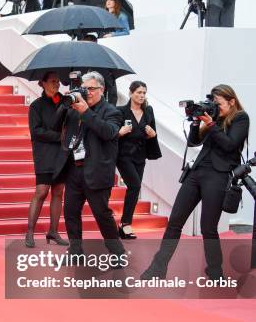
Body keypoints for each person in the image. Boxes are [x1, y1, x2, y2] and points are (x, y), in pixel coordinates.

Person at [141, 85, 249, 281]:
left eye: (219, 103)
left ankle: (215, 272)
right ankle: (158, 267)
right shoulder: (212, 116)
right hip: (196, 172)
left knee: (208, 226)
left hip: (218, 174)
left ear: (231, 101)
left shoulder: (241, 118)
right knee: (174, 221)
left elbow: (230, 145)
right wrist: (195, 123)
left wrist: (212, 124)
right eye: (213, 102)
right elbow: (193, 142)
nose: (215, 106)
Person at [61, 71, 125, 257]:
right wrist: (67, 105)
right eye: (84, 88)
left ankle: (117, 253)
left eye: (91, 88)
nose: (87, 92)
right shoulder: (76, 108)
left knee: (102, 215)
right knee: (70, 212)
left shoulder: (112, 111)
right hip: (75, 169)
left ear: (102, 89)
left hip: (97, 171)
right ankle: (75, 251)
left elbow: (109, 132)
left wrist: (86, 112)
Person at [25, 71, 70, 248]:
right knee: (41, 192)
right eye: (52, 81)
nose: (57, 84)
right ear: (42, 83)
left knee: (58, 192)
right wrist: (59, 136)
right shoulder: (36, 106)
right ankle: (30, 232)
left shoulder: (66, 104)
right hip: (44, 154)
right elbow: (36, 131)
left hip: (62, 154)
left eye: (58, 81)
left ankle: (53, 231)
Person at [116, 81, 161, 239]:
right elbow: (114, 132)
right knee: (135, 185)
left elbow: (152, 132)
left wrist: (153, 135)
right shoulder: (120, 111)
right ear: (130, 93)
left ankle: (124, 225)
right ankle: (126, 224)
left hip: (140, 156)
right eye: (138, 92)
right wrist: (120, 132)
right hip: (123, 155)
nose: (142, 96)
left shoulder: (149, 111)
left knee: (134, 189)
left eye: (144, 93)